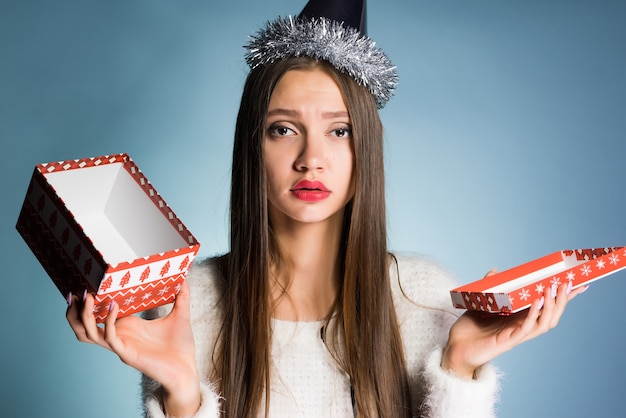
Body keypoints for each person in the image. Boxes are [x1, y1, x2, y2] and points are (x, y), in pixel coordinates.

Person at [66, 1, 586, 417]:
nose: (310, 159)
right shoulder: (188, 305)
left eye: (339, 131)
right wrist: (182, 396)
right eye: (283, 129)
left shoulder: (428, 297)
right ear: (253, 145)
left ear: (367, 151)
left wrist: (459, 367)